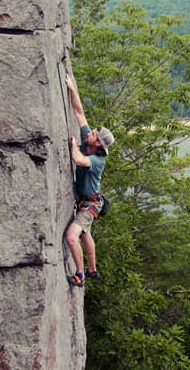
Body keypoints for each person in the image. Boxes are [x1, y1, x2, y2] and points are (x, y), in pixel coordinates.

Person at [64, 73, 115, 287]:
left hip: (90, 204)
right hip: (88, 201)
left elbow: (77, 159)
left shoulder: (95, 160)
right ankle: (92, 269)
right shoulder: (89, 143)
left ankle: (80, 274)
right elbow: (79, 112)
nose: (89, 132)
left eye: (93, 134)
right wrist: (72, 89)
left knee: (72, 236)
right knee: (86, 233)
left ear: (97, 145)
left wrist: (73, 144)